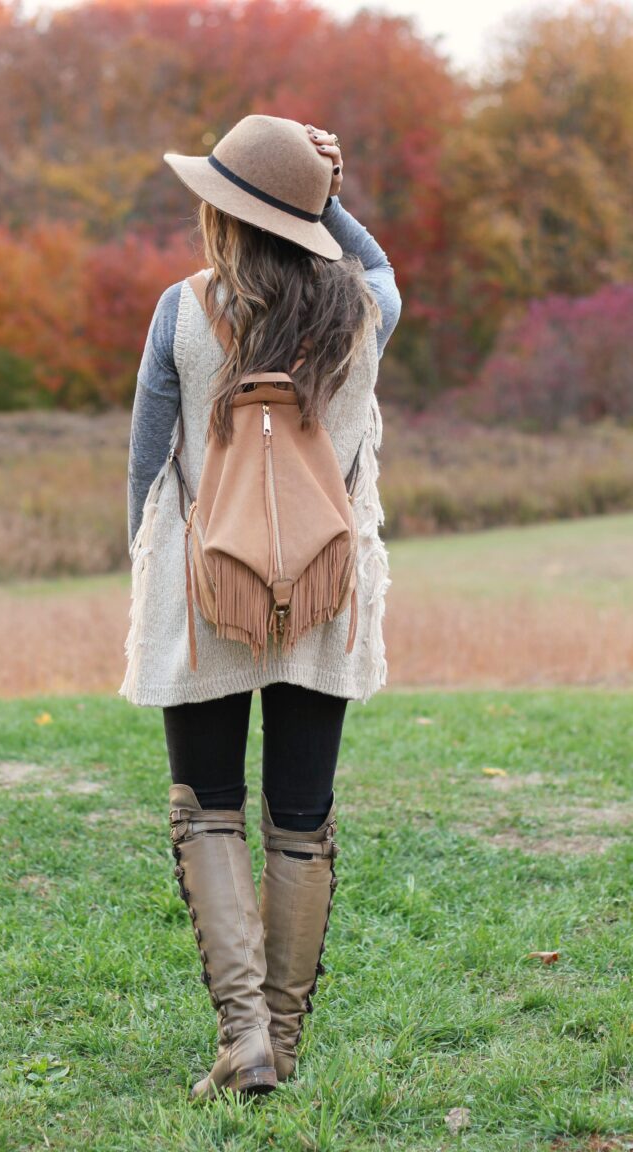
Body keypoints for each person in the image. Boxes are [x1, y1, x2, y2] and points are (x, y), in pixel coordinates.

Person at [119, 115, 401, 1099]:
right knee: (300, 814)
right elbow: (382, 270)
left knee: (210, 809)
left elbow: (148, 469)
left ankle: (243, 1039)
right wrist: (328, 194)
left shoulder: (180, 312)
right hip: (325, 590)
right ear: (314, 221)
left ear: (224, 211)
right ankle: (279, 1040)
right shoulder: (364, 311)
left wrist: (150, 574)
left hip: (206, 594)